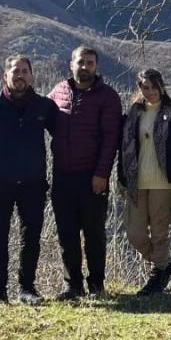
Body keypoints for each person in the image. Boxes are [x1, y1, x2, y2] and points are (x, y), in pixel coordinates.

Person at [0, 55, 57, 306]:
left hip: (33, 185)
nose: (20, 75)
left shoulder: (43, 107)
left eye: (25, 71)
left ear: (32, 76)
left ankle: (27, 289)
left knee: (31, 237)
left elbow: (64, 137)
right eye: (15, 71)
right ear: (5, 76)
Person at [48, 46, 121, 300]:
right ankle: (73, 285)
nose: (85, 67)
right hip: (62, 176)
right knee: (66, 234)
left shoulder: (108, 97)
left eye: (90, 63)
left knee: (94, 234)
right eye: (81, 62)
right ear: (71, 64)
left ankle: (97, 284)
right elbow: (42, 119)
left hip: (92, 177)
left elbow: (111, 139)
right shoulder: (58, 92)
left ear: (96, 66)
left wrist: (101, 174)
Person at [117, 69, 171, 296]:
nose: (150, 91)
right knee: (134, 232)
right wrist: (122, 178)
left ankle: (156, 276)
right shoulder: (134, 113)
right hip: (137, 180)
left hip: (164, 182)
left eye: (154, 86)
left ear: (161, 86)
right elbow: (124, 147)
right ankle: (165, 265)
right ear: (139, 89)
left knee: (159, 232)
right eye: (145, 87)